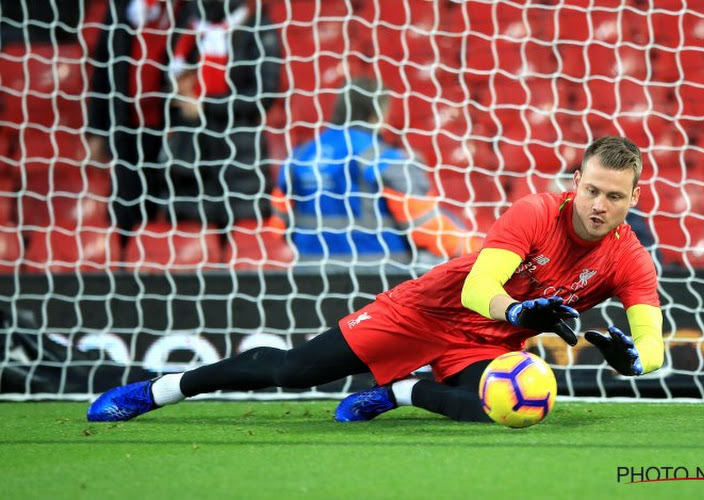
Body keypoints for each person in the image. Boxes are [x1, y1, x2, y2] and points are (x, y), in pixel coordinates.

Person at [87, 136, 664, 423]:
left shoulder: (630, 259)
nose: (598, 204)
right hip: (423, 311)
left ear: (633, 199)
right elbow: (474, 288)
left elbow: (654, 347)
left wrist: (634, 361)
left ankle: (402, 391)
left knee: (511, 406)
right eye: (591, 189)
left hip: (485, 345)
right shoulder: (536, 212)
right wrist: (515, 312)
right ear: (576, 181)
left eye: (613, 196)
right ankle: (158, 389)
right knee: (292, 371)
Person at [270, 78, 482, 263]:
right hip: (378, 277)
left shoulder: (299, 156)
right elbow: (428, 229)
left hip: (310, 276)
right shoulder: (385, 160)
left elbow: (279, 224)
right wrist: (478, 251)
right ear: (375, 114)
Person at [160, 0, 281, 228]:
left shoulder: (257, 28)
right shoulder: (188, 29)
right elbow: (165, 80)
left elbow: (262, 95)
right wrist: (181, 90)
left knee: (241, 241)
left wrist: (206, 104)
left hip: (239, 155)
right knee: (192, 239)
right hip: (191, 154)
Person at [87, 0, 185, 236]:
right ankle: (123, 267)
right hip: (127, 130)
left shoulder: (190, 9)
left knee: (177, 216)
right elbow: (103, 69)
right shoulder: (121, 9)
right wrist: (97, 130)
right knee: (126, 211)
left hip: (176, 130)